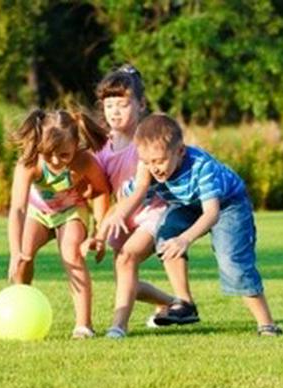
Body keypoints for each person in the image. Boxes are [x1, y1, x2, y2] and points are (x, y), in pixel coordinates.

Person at [101, 113, 283, 337]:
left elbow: (211, 213)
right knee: (166, 233)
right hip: (187, 204)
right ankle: (185, 303)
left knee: (232, 261)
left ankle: (267, 324)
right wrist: (116, 217)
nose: (154, 168)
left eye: (159, 161)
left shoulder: (201, 166)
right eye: (147, 162)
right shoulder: (148, 168)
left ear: (180, 151)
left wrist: (185, 238)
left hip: (227, 204)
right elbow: (134, 195)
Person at [82, 65, 197, 338]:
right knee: (124, 274)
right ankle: (172, 304)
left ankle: (118, 327)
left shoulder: (145, 139)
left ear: (141, 104)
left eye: (122, 104)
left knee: (126, 260)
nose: (115, 111)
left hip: (153, 212)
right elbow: (99, 190)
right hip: (122, 216)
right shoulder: (102, 147)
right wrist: (98, 230)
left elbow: (144, 186)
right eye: (109, 105)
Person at [7, 109, 110, 339]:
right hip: (39, 212)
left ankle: (84, 325)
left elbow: (102, 191)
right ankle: (22, 311)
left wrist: (99, 233)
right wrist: (15, 252)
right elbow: (18, 208)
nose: (55, 160)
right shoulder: (30, 161)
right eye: (48, 153)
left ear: (76, 143)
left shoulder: (84, 162)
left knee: (71, 254)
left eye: (64, 155)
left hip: (71, 211)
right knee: (24, 255)